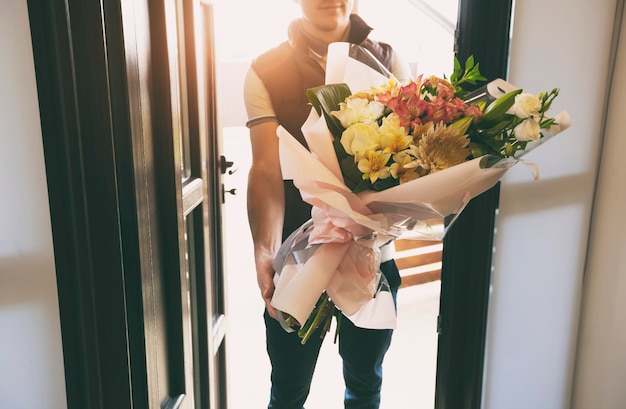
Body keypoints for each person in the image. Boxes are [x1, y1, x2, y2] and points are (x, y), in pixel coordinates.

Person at [243, 1, 412, 408]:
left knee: (365, 385)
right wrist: (264, 249)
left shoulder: (389, 60)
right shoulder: (265, 70)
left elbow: (409, 159)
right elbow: (266, 170)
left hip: (373, 258)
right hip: (299, 256)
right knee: (287, 389)